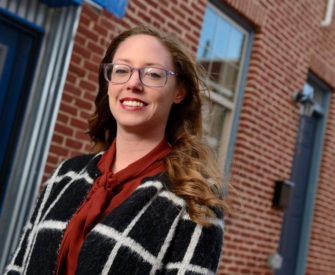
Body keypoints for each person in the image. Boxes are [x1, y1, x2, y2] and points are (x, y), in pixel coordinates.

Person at [5, 25, 227, 275]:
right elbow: (17, 266)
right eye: (121, 70)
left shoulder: (195, 198)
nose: (133, 83)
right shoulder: (65, 175)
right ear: (109, 83)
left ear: (179, 91)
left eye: (153, 74)